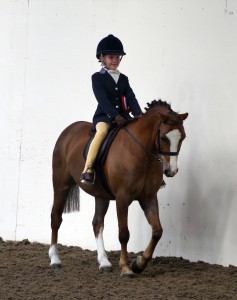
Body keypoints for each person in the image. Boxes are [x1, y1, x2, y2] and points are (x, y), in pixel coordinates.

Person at [80, 34, 143, 185]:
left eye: (117, 57)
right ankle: (88, 169)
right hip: (105, 117)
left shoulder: (124, 79)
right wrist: (114, 116)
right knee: (101, 133)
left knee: (141, 133)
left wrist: (139, 114)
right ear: (102, 58)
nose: (114, 61)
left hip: (123, 116)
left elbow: (131, 97)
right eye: (111, 57)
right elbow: (102, 100)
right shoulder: (97, 77)